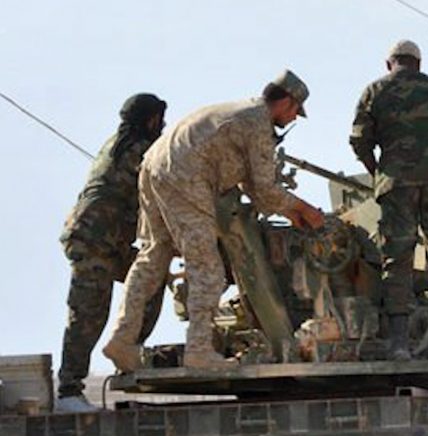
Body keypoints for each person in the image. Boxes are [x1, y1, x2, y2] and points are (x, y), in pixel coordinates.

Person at [103, 70, 325, 372]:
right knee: (207, 267)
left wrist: (292, 212)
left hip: (155, 166)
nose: (294, 118)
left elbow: (254, 188)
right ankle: (199, 350)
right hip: (188, 176)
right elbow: (265, 189)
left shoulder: (242, 112)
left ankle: (121, 338)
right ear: (286, 101)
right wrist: (307, 210)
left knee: (154, 255)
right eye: (295, 111)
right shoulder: (259, 123)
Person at [350, 39, 428, 361]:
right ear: (418, 63)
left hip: (397, 184)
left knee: (397, 257)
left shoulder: (375, 91)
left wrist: (379, 173)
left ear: (389, 63)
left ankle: (400, 344)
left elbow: (359, 140)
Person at [56, 93, 168, 413]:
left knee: (150, 279)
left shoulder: (119, 145)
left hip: (108, 242)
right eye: (159, 119)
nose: (162, 126)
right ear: (151, 120)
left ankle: (127, 352)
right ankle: (69, 391)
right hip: (95, 241)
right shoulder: (140, 150)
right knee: (89, 313)